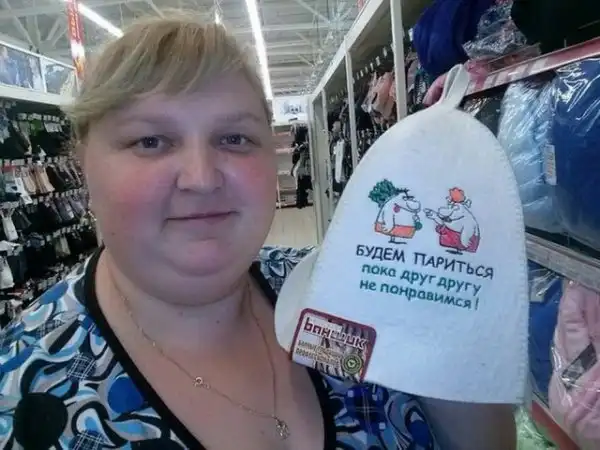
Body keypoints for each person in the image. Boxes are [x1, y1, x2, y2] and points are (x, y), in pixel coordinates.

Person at [0, 14, 516, 450]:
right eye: (150, 141)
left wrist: (449, 337)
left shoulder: (339, 286)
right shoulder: (26, 388)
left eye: (234, 137)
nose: (201, 178)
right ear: (82, 164)